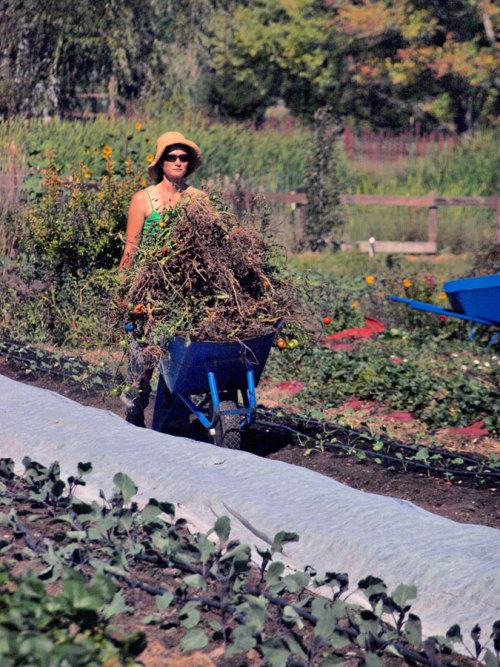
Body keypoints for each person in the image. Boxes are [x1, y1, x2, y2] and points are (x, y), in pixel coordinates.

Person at [118, 131, 203, 426]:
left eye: (183, 157)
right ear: (161, 162)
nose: (178, 162)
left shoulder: (196, 199)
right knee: (144, 358)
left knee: (178, 358)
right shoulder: (143, 199)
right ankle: (136, 406)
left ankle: (167, 422)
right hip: (148, 288)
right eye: (172, 157)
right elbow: (131, 248)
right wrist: (123, 288)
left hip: (185, 290)